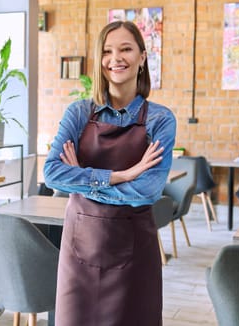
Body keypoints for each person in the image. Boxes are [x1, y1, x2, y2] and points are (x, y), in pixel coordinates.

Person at [44, 20, 177, 326]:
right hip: (79, 250)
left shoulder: (160, 120)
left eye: (126, 49)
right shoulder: (78, 113)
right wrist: (118, 176)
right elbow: (52, 173)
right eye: (107, 51)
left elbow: (147, 190)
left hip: (134, 254)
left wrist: (81, 179)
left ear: (143, 57)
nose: (115, 58)